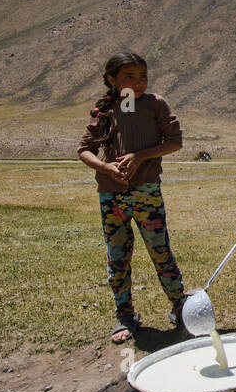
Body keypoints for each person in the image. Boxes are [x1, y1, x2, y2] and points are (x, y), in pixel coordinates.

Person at [77, 52, 187, 344]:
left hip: (146, 191)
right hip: (111, 195)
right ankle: (125, 315)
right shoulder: (104, 110)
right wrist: (104, 166)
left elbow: (175, 142)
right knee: (118, 257)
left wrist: (140, 156)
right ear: (112, 80)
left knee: (160, 251)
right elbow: (84, 149)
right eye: (129, 77)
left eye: (143, 77)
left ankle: (180, 308)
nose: (138, 83)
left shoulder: (155, 104)